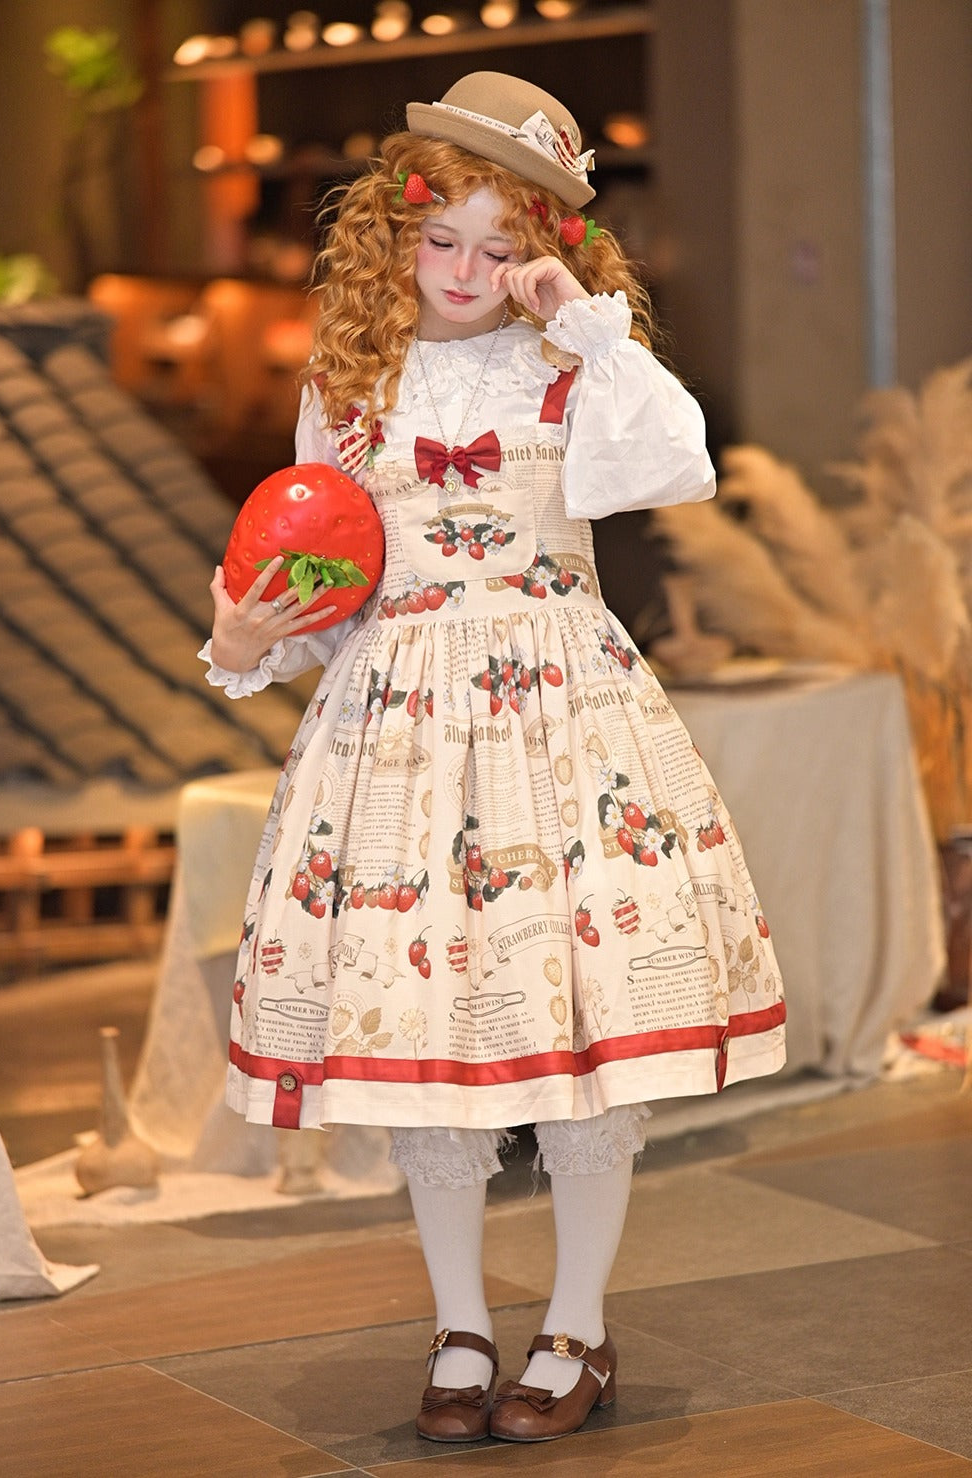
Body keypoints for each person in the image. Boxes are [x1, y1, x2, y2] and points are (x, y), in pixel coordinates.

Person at [200, 71, 786, 1445]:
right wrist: (242, 635)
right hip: (398, 731)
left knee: (575, 1031)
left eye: (498, 245)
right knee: (428, 1026)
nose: (464, 272)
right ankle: (461, 1323)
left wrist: (581, 322)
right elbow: (327, 578)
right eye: (440, 238)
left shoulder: (578, 366)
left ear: (546, 249)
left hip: (559, 718)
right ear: (396, 232)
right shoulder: (345, 384)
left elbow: (677, 462)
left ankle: (576, 1323)